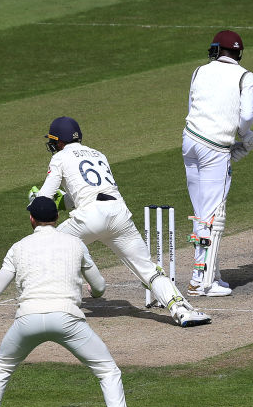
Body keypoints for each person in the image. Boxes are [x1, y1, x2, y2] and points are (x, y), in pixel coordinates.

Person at [0, 196, 149, 407]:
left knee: (1, 369)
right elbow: (100, 287)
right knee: (107, 370)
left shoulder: (18, 247)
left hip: (27, 320)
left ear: (32, 219)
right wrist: (91, 292)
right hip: (68, 319)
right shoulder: (75, 244)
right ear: (57, 218)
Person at [34, 117, 211, 328]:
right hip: (118, 214)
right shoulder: (99, 154)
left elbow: (45, 197)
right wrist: (65, 201)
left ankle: (47, 304)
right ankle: (182, 310)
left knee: (45, 242)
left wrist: (34, 201)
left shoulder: (60, 158)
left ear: (59, 141)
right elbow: (88, 189)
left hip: (89, 216)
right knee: (149, 269)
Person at [181, 30, 253, 297]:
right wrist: (244, 137)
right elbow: (246, 115)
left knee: (200, 212)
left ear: (217, 50)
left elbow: (197, 109)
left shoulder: (199, 71)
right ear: (239, 53)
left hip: (191, 142)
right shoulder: (245, 76)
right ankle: (202, 282)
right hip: (214, 148)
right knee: (213, 215)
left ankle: (208, 271)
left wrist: (229, 149)